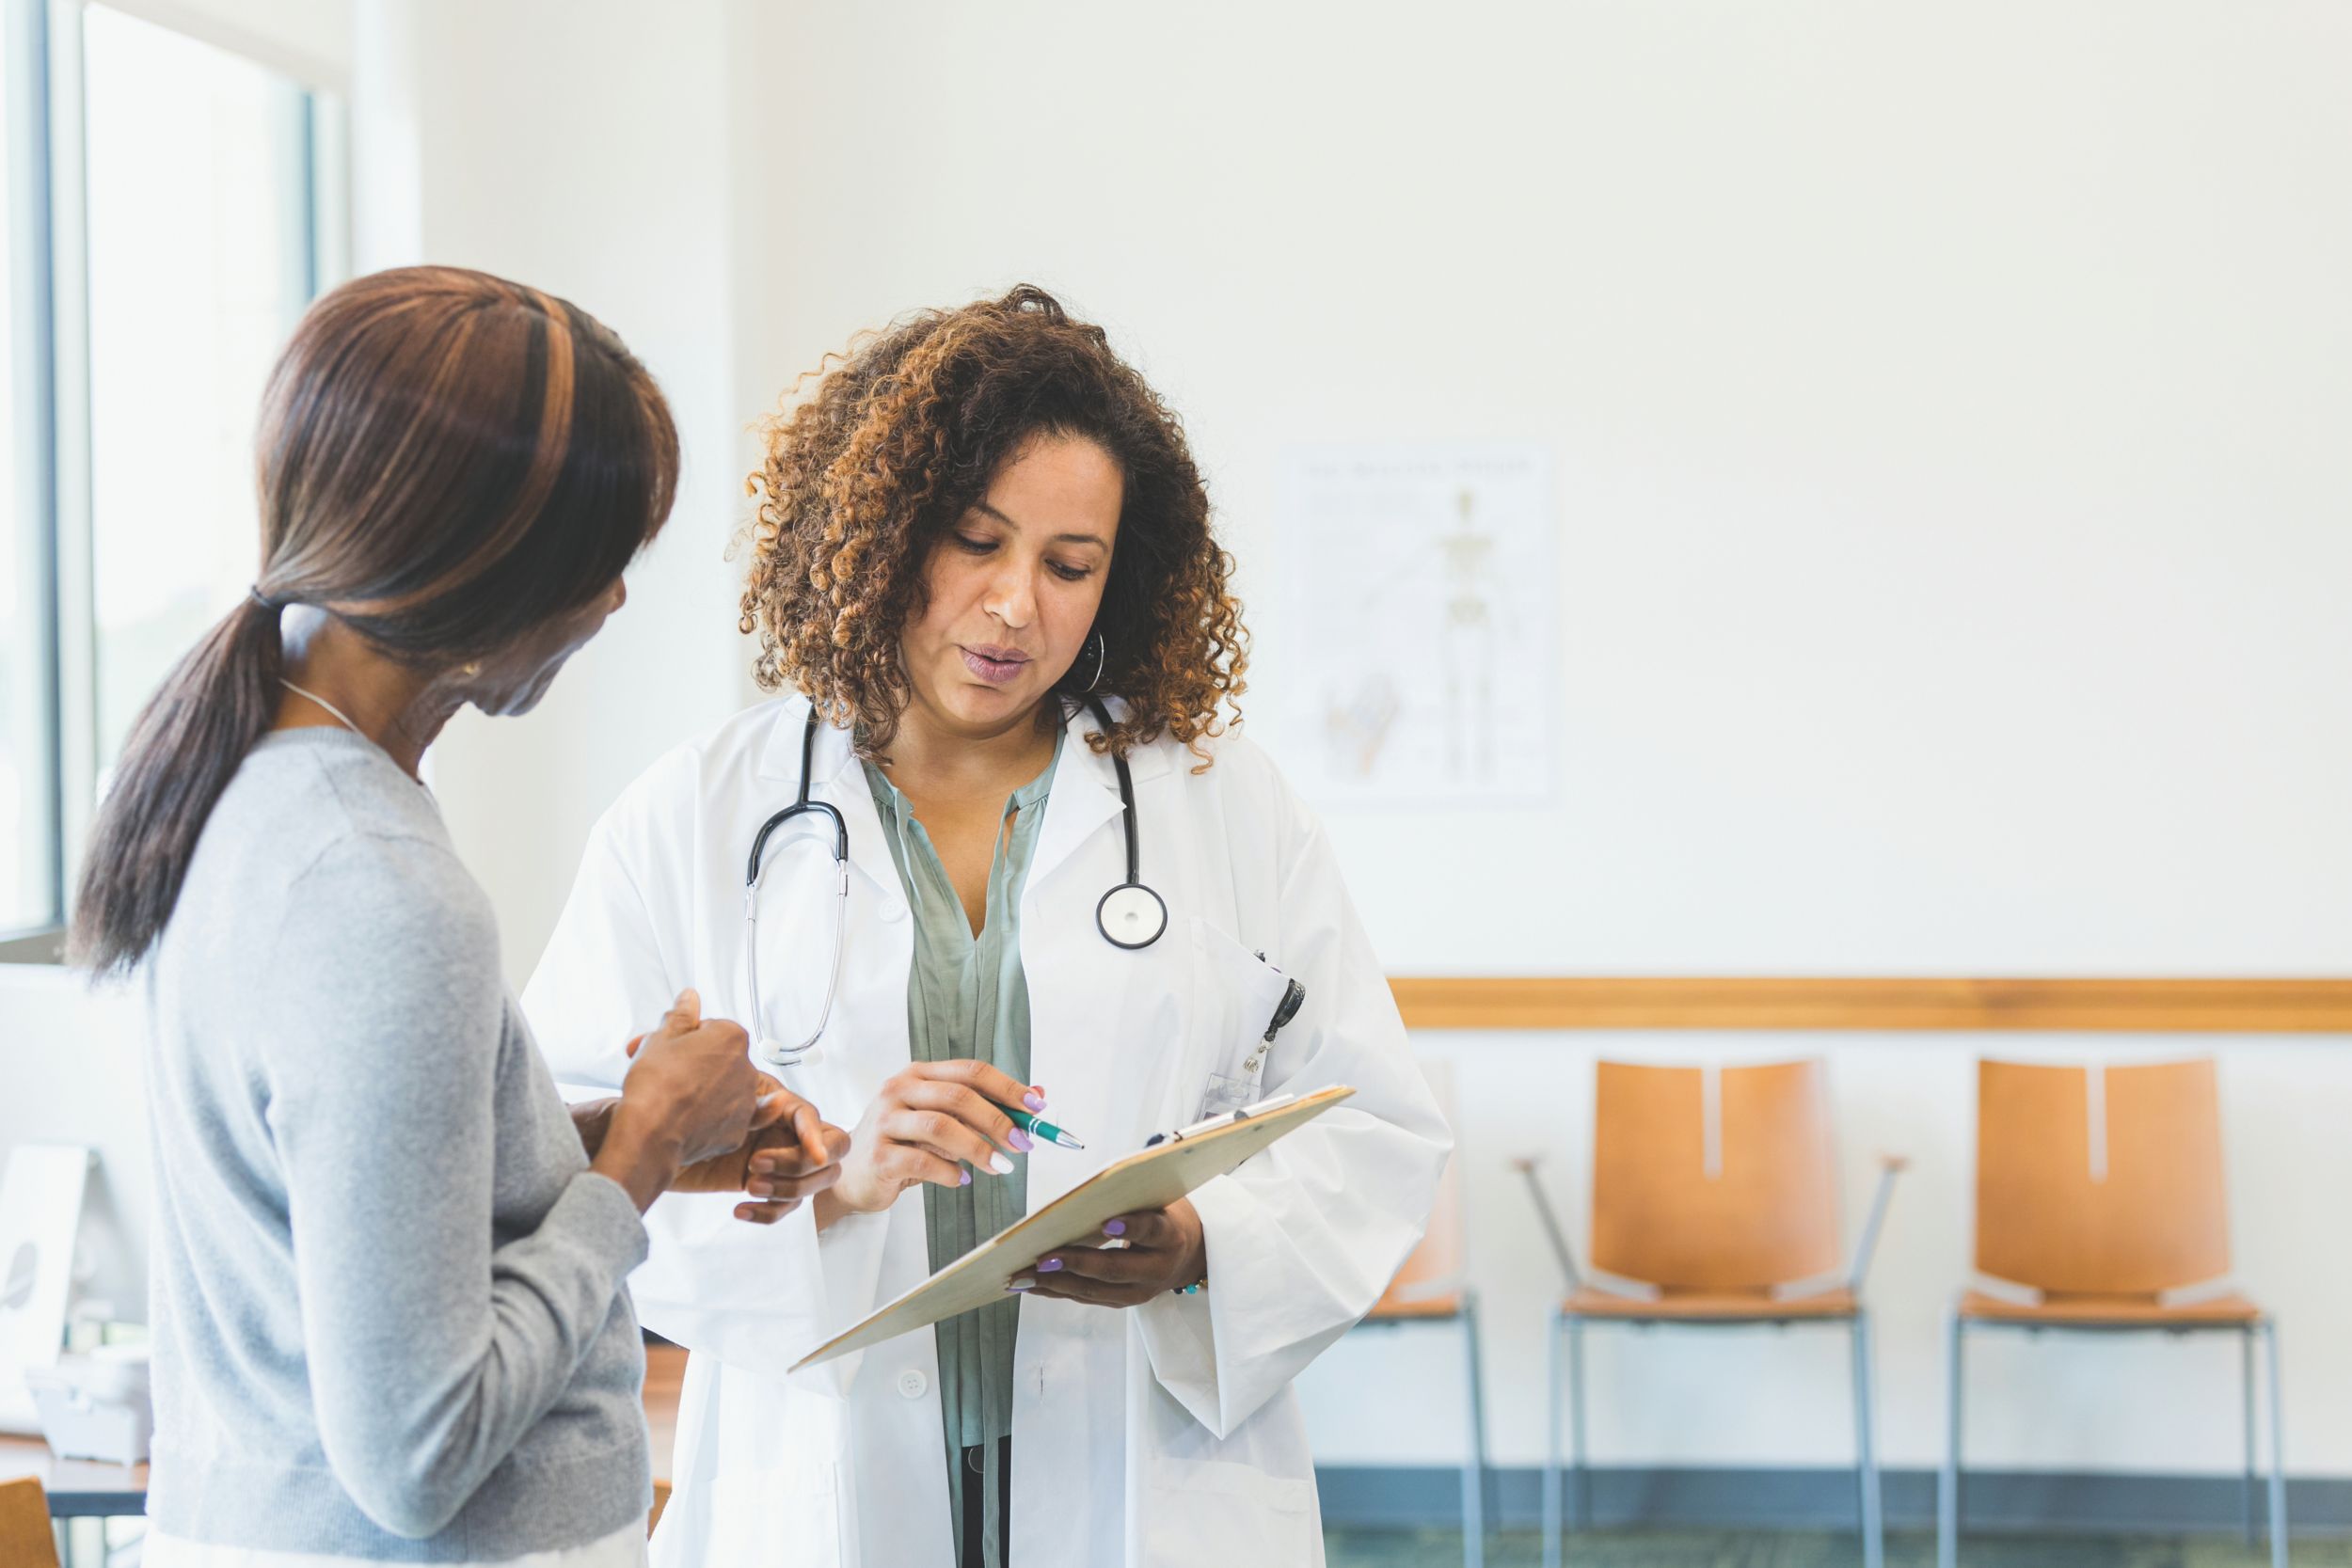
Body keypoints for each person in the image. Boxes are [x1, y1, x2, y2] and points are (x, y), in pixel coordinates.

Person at [524, 285, 1451, 1567]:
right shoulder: (696, 815)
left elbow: (1371, 1119)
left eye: (1071, 566)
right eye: (976, 541)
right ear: (881, 533)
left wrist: (1195, 1244)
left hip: (1143, 1464)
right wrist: (833, 1190)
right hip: (827, 1472)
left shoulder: (1216, 802)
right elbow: (567, 1157)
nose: (1020, 604)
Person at [72, 266, 846, 1566]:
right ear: (484, 580)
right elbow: (421, 1450)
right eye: (601, 565)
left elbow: (343, 1199)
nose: (611, 605)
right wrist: (638, 1162)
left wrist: (604, 1136)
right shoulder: (380, 891)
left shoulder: (233, 789)